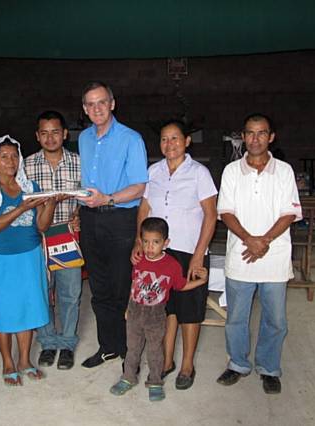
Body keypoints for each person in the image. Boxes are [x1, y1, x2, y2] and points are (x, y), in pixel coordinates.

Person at [215, 113, 302, 394]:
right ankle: (238, 363)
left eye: (261, 133)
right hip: (241, 255)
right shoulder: (231, 171)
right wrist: (249, 240)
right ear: (243, 136)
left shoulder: (285, 171)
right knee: (236, 317)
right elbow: (225, 212)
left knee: (275, 319)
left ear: (271, 137)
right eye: (250, 133)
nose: (255, 139)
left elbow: (289, 213)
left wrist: (263, 241)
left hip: (274, 257)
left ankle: (269, 368)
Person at [131, 119, 217, 390]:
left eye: (175, 138)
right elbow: (144, 209)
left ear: (186, 141)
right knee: (165, 309)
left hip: (189, 248)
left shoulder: (199, 172)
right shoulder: (153, 171)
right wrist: (138, 242)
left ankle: (187, 365)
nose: (169, 144)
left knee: (189, 309)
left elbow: (211, 214)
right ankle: (166, 361)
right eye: (164, 139)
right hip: (159, 252)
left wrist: (198, 255)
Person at [0, 135, 59, 386]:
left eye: (14, 156)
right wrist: (21, 208)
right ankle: (8, 362)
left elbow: (42, 226)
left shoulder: (29, 186)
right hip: (0, 260)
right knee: (3, 311)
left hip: (29, 257)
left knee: (27, 308)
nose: (10, 161)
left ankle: (24, 360)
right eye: (4, 157)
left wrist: (50, 202)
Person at [76, 81, 148, 368]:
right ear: (85, 109)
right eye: (91, 104)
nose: (97, 108)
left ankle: (130, 351)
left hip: (119, 219)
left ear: (112, 103)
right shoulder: (83, 138)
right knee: (99, 286)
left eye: (102, 102)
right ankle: (108, 346)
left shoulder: (131, 139)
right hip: (90, 219)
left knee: (121, 288)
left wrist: (108, 198)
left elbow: (139, 187)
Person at [111, 218, 207, 402]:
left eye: (155, 242)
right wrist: (128, 307)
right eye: (145, 241)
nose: (150, 247)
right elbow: (134, 284)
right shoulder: (138, 260)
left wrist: (200, 282)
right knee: (132, 348)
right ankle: (128, 377)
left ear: (166, 243)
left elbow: (180, 286)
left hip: (156, 313)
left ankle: (155, 381)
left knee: (155, 350)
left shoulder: (171, 265)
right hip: (135, 309)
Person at [24, 110, 82, 370]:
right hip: (38, 237)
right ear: (37, 136)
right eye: (44, 133)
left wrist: (80, 214)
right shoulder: (26, 165)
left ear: (65, 134)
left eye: (55, 132)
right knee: (42, 291)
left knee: (70, 293)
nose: (50, 138)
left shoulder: (79, 162)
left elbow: (86, 195)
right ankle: (47, 342)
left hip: (67, 235)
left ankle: (67, 342)